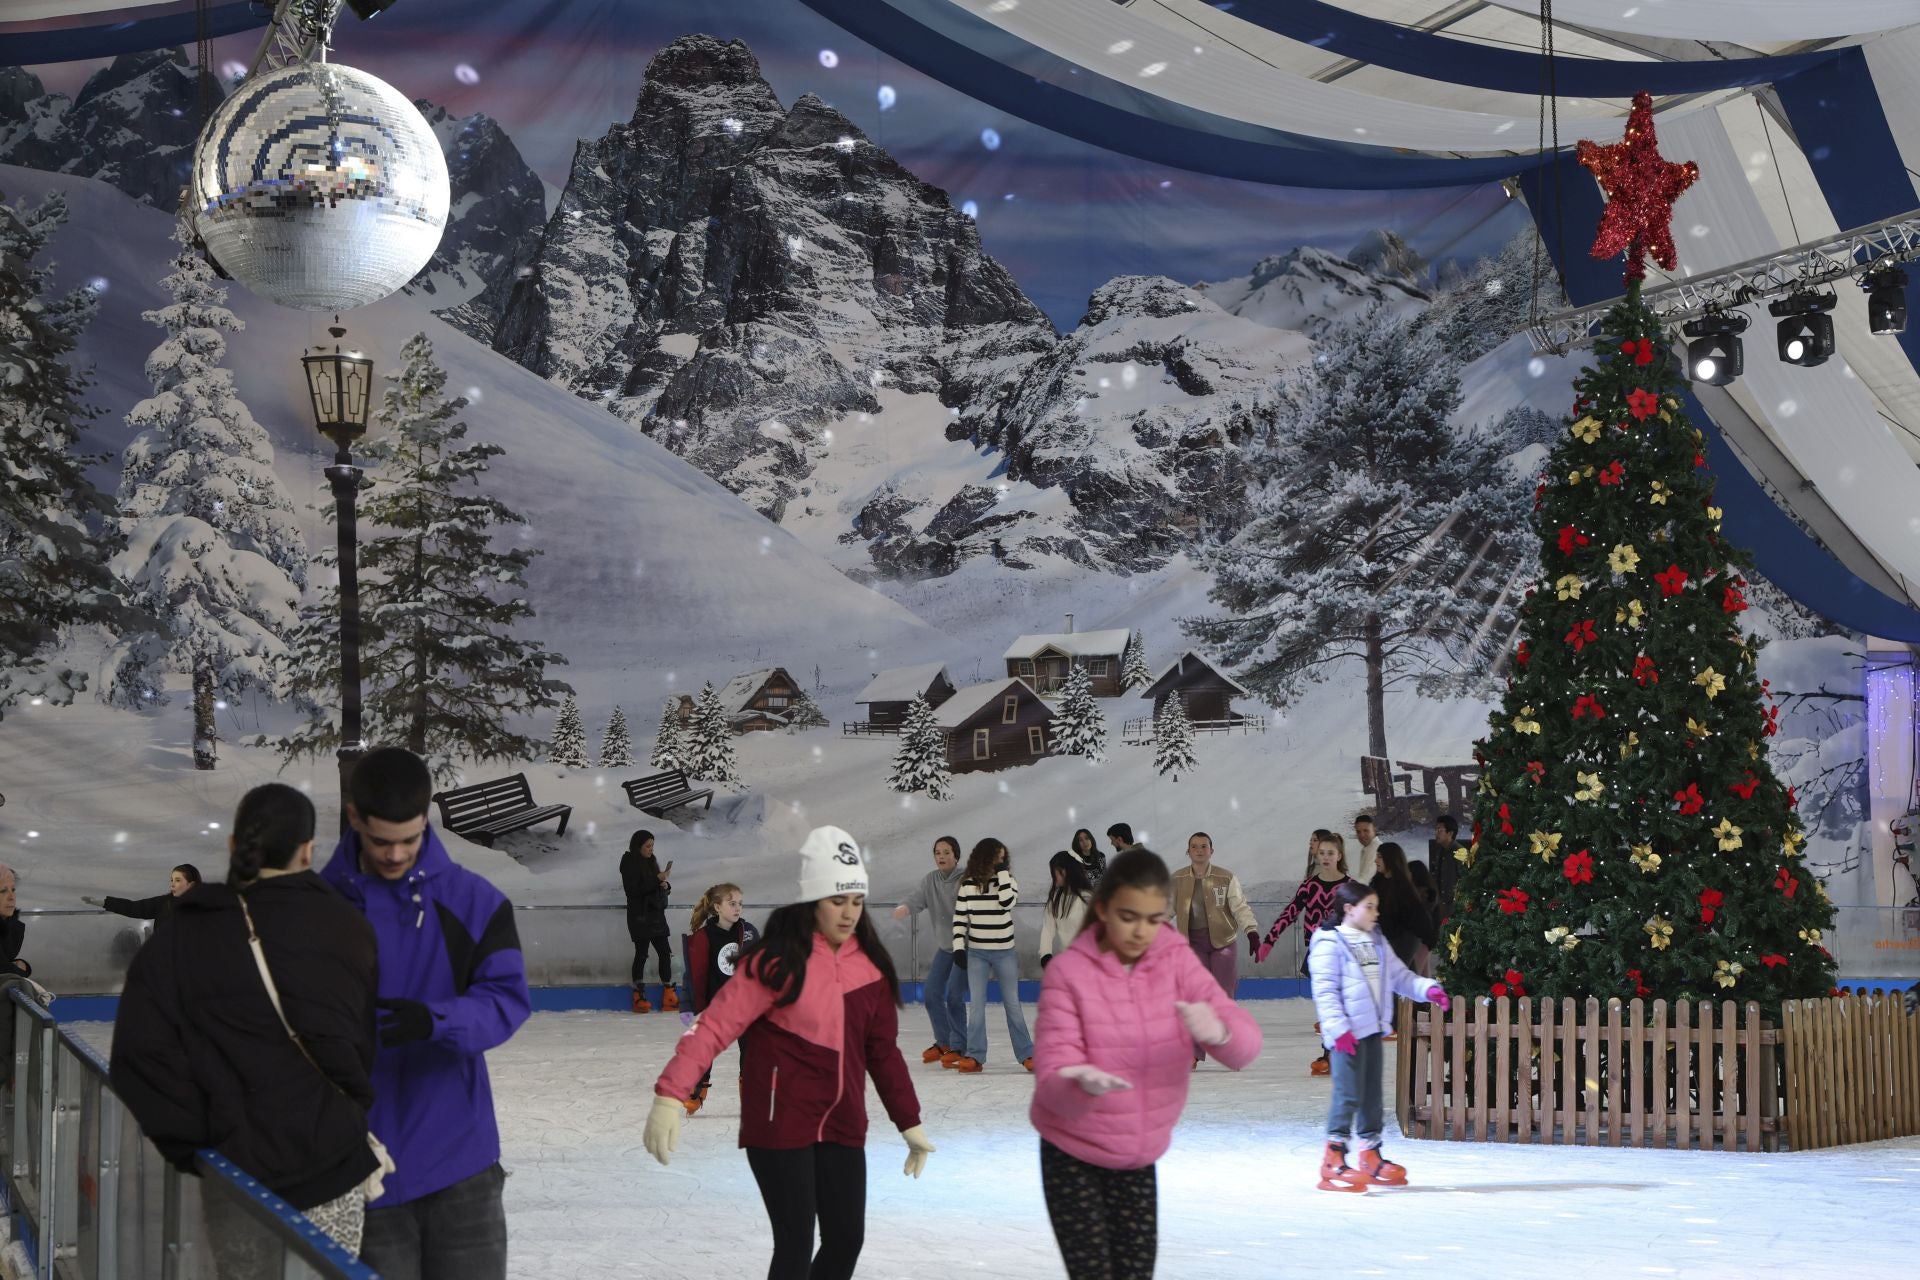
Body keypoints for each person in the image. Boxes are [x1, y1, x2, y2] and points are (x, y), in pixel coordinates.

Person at [644, 826, 934, 1280]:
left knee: (845, 1241)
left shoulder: (869, 967)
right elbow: (715, 1026)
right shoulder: (776, 962)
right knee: (796, 1246)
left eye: (856, 900)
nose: (848, 912)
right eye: (837, 900)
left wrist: (909, 1121)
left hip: (841, 1122)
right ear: (812, 901)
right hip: (779, 1124)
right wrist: (670, 1093)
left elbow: (883, 1054)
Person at [110, 783, 380, 1267]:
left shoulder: (181, 937)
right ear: (308, 850)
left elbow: (139, 1059)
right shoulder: (346, 925)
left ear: (234, 845)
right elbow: (361, 1044)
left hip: (237, 1176)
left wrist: (197, 1147)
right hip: (332, 1164)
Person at [321, 746, 531, 1280]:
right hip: (362, 1171)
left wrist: (440, 1022)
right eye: (381, 841)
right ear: (353, 818)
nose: (395, 855)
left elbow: (507, 1000)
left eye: (409, 839)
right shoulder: (315, 912)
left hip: (462, 1164)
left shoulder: (477, 903)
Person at [1030, 848, 1263, 1278]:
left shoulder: (1175, 959)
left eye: (1154, 919)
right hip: (1072, 1153)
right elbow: (1051, 1071)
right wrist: (1077, 1081)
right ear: (1102, 908)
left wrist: (1220, 1034)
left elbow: (1245, 1039)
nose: (1142, 932)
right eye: (1129, 917)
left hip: (1136, 1157)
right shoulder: (1069, 973)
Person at [1308, 881, 1449, 1192]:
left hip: (1372, 1030)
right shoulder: (1329, 942)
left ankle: (1370, 1154)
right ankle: (1333, 1158)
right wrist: (1338, 1030)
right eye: (1368, 906)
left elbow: (1399, 977)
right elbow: (1325, 992)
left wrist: (1428, 989)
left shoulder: (1375, 938)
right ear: (1348, 909)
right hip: (1346, 1035)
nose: (1376, 912)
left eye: (1375, 906)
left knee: (1372, 1095)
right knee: (1348, 1095)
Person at [1255, 831, 1357, 1076]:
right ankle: (1331, 1052)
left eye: (1330, 853)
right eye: (1321, 853)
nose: (1325, 857)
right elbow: (1289, 913)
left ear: (1339, 856)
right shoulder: (1310, 886)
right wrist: (1269, 941)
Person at [949, 837, 1034, 1073]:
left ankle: (1027, 1054)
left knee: (1013, 1004)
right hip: (977, 953)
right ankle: (976, 1056)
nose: (1002, 859)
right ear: (985, 856)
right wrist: (958, 946)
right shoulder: (967, 885)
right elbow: (959, 919)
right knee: (976, 1006)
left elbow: (1007, 902)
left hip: (1005, 952)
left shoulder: (1009, 882)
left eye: (1003, 856)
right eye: (998, 855)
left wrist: (1003, 874)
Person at [681, 881, 759, 1115]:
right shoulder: (703, 937)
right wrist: (687, 1005)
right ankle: (697, 1087)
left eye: (740, 904)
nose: (738, 908)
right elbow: (692, 974)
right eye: (732, 903)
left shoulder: (748, 932)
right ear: (717, 907)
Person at [893, 835, 968, 1065]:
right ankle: (943, 1041)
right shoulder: (931, 880)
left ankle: (959, 1046)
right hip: (946, 948)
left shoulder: (966, 879)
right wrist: (905, 907)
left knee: (954, 996)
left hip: (966, 948)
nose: (941, 857)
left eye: (946, 852)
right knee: (931, 994)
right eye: (937, 853)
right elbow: (918, 898)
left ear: (956, 855)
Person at [1169, 832, 1259, 1001]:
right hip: (1192, 944)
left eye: (1204, 846)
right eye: (1194, 846)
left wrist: (1251, 931)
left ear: (1212, 851)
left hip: (1223, 942)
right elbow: (1165, 909)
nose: (1199, 850)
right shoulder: (1177, 879)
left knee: (1224, 991)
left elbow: (1239, 907)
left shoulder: (1226, 877)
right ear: (1188, 851)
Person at [621, 830, 677, 1013]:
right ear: (637, 846)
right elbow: (634, 890)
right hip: (640, 916)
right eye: (647, 846)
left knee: (664, 952)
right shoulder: (628, 862)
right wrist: (656, 880)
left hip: (655, 915)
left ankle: (668, 991)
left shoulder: (651, 861)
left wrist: (665, 885)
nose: (650, 850)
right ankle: (638, 993)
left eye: (652, 846)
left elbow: (654, 886)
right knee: (642, 953)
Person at [1369, 842, 1436, 975]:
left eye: (1380, 857)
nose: (1375, 860)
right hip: (1388, 939)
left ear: (1390, 859)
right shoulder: (1377, 883)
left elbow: (1421, 918)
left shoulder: (1403, 888)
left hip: (1405, 939)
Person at [83, 864, 202, 919]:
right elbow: (133, 908)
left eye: (178, 880)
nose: (172, 884)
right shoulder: (163, 903)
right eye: (171, 880)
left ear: (191, 884)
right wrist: (102, 902)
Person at [1039, 851, 1093, 966]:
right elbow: (1048, 929)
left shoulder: (1087, 898)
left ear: (1064, 871)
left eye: (1054, 871)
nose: (1053, 876)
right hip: (1066, 962)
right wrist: (1045, 955)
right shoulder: (1055, 898)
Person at [1428, 815, 1465, 922]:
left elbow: (1467, 881)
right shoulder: (1440, 851)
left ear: (1450, 833)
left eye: (1440, 830)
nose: (1436, 833)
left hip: (1455, 910)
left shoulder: (1460, 852)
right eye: (1436, 829)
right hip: (1441, 907)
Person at [0, 862, 29, 977]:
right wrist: (22, 969)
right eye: (3, 891)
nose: (11, 897)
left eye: (13, 889)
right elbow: (3, 968)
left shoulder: (10, 926)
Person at [1351, 815, 1381, 884]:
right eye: (1358, 832)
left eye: (1366, 830)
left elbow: (1365, 880)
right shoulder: (1368, 848)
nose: (1362, 835)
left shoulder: (1376, 849)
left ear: (1374, 830)